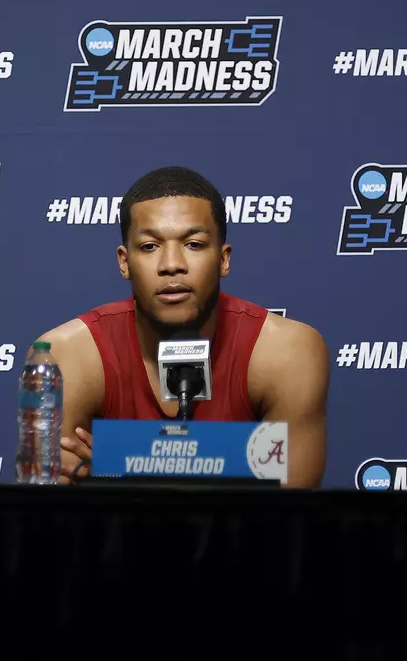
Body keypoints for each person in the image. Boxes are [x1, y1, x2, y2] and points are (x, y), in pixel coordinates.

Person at [36, 166, 330, 487]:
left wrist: (114, 472)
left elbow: (291, 509)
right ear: (124, 261)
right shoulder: (68, 353)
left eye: (194, 244)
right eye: (150, 246)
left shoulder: (286, 351)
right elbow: (46, 507)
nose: (172, 265)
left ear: (223, 259)